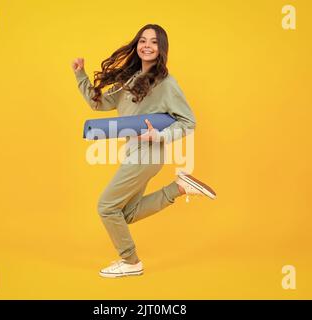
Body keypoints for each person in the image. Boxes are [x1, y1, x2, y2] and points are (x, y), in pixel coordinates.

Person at [71, 24, 217, 278]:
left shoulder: (167, 83)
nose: (146, 45)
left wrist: (159, 135)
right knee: (125, 212)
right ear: (137, 45)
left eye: (153, 42)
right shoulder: (130, 78)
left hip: (148, 152)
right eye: (142, 41)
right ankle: (179, 188)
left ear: (162, 49)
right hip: (135, 153)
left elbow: (188, 121)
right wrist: (81, 75)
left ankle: (130, 261)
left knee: (106, 207)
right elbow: (100, 105)